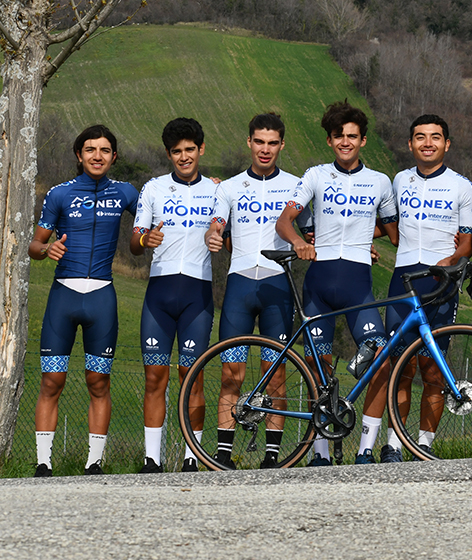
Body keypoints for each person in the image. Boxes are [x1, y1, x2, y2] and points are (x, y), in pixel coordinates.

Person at [275, 100, 398, 466]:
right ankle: (320, 452)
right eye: (338, 136)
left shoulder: (380, 181)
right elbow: (285, 222)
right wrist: (298, 242)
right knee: (318, 367)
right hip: (320, 282)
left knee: (380, 358)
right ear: (330, 141)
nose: (345, 142)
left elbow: (393, 232)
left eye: (352, 136)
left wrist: (365, 240)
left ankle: (365, 449)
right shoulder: (315, 175)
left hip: (358, 283)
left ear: (363, 141)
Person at [354, 114, 472, 464]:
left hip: (441, 281)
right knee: (395, 366)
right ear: (410, 144)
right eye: (420, 137)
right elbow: (382, 222)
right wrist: (362, 241)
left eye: (435, 137)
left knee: (432, 369)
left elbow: (468, 243)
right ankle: (388, 445)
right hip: (404, 277)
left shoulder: (461, 186)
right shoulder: (399, 180)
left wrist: (450, 259)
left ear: (446, 144)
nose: (427, 143)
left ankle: (423, 445)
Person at [29, 125, 140, 477]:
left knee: (99, 382)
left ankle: (95, 463)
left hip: (102, 297)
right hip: (63, 294)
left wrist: (212, 188)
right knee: (51, 381)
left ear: (114, 156)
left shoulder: (125, 192)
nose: (97, 155)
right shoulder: (60, 194)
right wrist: (47, 249)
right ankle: (42, 463)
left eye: (105, 150)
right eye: (90, 149)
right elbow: (34, 245)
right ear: (79, 155)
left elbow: (158, 210)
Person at [207, 113, 312, 469]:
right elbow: (217, 223)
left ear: (282, 145)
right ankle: (223, 454)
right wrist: (213, 234)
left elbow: (311, 233)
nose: (265, 149)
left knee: (278, 375)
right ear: (248, 143)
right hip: (239, 282)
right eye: (259, 141)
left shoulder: (297, 185)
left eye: (272, 143)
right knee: (229, 374)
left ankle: (272, 456)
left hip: (276, 282)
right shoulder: (230, 187)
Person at [131, 118, 218, 473]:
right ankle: (151, 459)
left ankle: (191, 456)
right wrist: (144, 240)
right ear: (169, 154)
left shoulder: (217, 191)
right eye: (177, 152)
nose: (184, 157)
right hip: (160, 294)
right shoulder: (153, 189)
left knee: (191, 376)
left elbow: (226, 235)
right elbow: (135, 241)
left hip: (197, 293)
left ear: (200, 150)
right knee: (155, 377)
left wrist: (220, 240)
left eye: (190, 150)